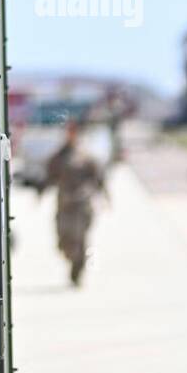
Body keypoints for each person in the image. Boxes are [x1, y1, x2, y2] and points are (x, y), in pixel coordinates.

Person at [43, 122, 110, 287]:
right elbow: (49, 177)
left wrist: (106, 197)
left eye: (74, 132)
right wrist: (39, 192)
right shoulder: (59, 156)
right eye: (69, 132)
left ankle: (78, 269)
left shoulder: (87, 157)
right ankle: (74, 259)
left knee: (80, 238)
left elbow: (99, 179)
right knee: (64, 240)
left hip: (82, 205)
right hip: (64, 205)